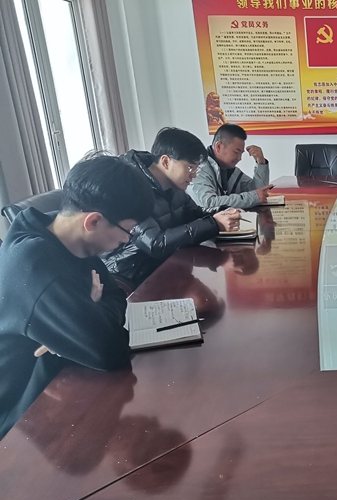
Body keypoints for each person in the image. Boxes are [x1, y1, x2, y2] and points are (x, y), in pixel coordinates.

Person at [0, 154, 154, 439]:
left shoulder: (64, 235)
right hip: (21, 418)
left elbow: (114, 295)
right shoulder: (36, 263)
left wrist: (90, 311)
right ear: (93, 221)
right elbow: (110, 350)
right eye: (128, 231)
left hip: (64, 380)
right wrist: (91, 313)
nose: (127, 240)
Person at [103, 127, 242, 290]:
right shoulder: (133, 190)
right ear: (166, 162)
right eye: (190, 167)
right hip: (132, 276)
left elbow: (196, 215)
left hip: (166, 266)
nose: (194, 175)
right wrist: (214, 224)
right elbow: (155, 244)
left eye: (196, 168)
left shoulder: (175, 188)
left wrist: (223, 212)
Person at [188, 123, 272, 209]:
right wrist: (252, 198)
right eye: (236, 152)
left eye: (241, 153)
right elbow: (209, 203)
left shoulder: (229, 169)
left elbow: (259, 192)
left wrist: (261, 163)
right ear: (218, 147)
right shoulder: (198, 169)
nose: (239, 158)